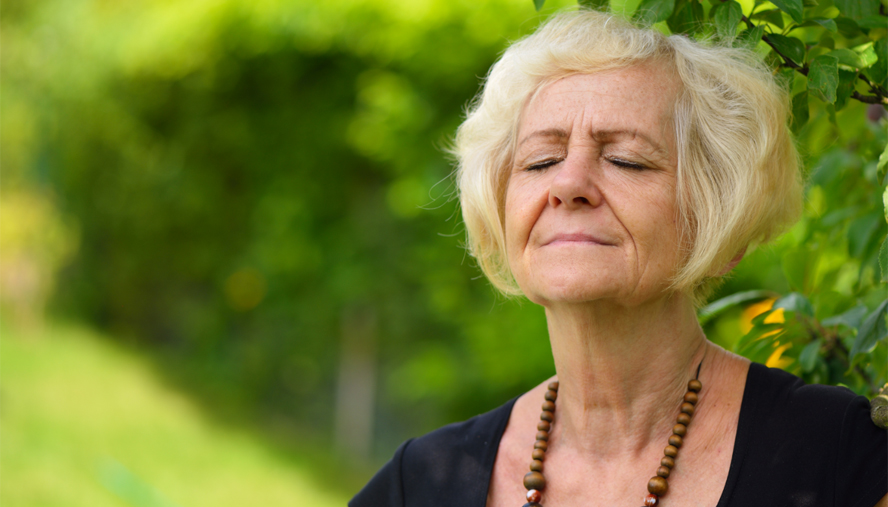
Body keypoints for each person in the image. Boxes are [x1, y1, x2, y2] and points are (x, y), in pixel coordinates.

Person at [351, 9, 888, 507]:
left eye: (625, 160)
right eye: (540, 161)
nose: (569, 184)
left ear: (717, 214)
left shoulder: (839, 459)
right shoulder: (421, 483)